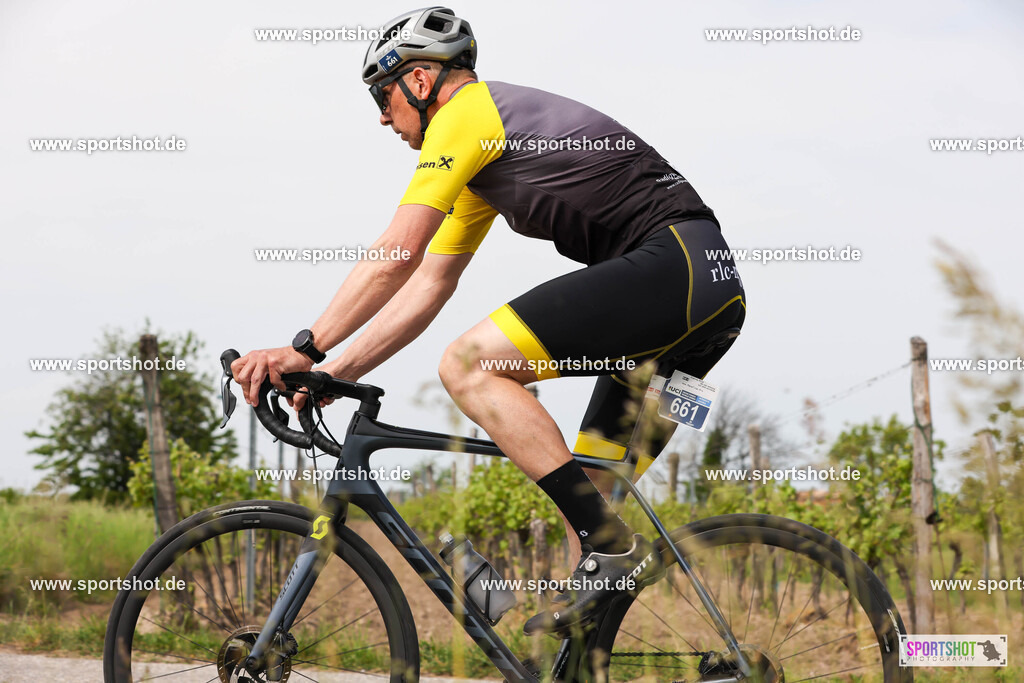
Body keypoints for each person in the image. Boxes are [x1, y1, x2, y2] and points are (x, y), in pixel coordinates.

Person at [231, 6, 745, 634]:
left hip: (674, 272)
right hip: (708, 301)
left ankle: (609, 551)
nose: (382, 117)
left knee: (468, 365)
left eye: (382, 97)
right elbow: (430, 284)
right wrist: (338, 371)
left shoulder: (466, 114)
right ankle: (584, 657)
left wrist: (304, 349)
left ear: (420, 81)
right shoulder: (482, 161)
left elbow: (398, 252)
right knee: (589, 498)